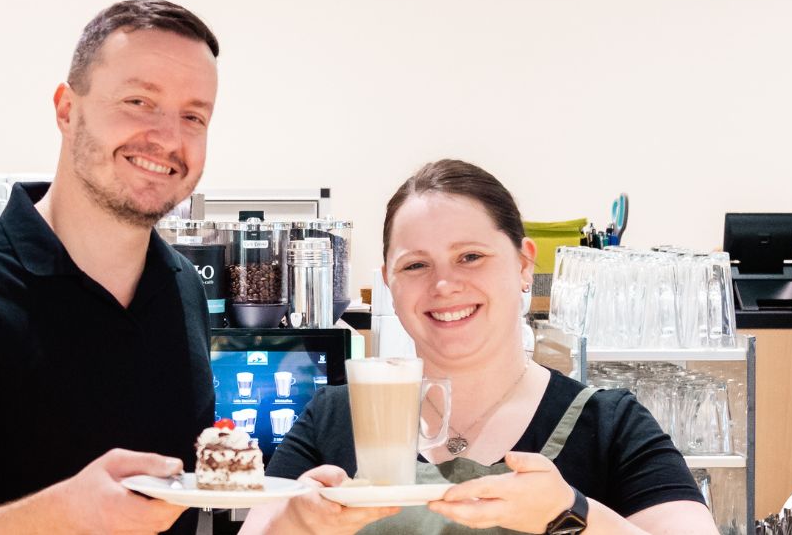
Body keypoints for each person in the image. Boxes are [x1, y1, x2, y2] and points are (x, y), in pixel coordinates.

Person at [0, 0, 221, 535]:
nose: (169, 137)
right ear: (67, 110)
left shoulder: (184, 288)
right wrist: (66, 514)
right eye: (139, 101)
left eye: (193, 116)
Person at [241, 160, 718, 534]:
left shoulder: (610, 426)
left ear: (524, 263)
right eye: (415, 266)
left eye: (471, 256)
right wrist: (296, 523)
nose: (444, 284)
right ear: (388, 282)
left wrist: (570, 514)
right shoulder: (331, 420)